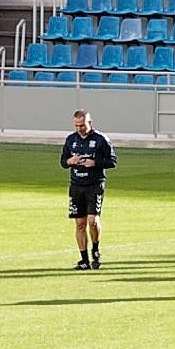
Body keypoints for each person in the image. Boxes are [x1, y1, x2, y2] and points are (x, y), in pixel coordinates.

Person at [61, 109, 116, 270]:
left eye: (82, 125)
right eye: (76, 125)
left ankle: (96, 248)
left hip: (95, 184)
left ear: (90, 123)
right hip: (76, 185)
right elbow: (63, 162)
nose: (79, 129)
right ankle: (84, 259)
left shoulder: (101, 140)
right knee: (80, 223)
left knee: (92, 221)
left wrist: (95, 163)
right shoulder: (71, 140)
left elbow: (112, 161)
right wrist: (71, 161)